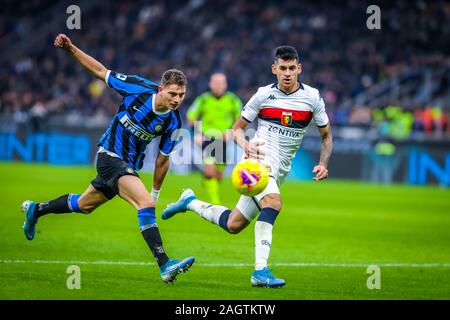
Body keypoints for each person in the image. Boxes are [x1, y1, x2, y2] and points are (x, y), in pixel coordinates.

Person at [21, 33, 195, 283]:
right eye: (172, 94)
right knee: (143, 204)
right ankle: (165, 264)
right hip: (110, 156)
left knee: (83, 205)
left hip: (126, 166)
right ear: (161, 89)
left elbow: (162, 159)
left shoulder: (174, 121)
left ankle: (36, 210)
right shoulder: (137, 88)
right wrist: (71, 49)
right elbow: (101, 71)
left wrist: (156, 192)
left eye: (181, 95)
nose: (177, 100)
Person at [162, 46, 333, 287]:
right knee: (273, 203)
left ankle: (189, 202)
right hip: (257, 159)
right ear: (274, 69)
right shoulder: (263, 95)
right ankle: (260, 272)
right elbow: (237, 130)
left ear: (299, 69)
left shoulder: (312, 98)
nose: (287, 73)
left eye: (291, 68)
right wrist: (245, 145)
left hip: (280, 168)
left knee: (233, 224)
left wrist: (323, 163)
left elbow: (326, 135)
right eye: (282, 68)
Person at [186, 73, 242, 204]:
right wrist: (198, 133)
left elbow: (241, 119)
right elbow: (191, 118)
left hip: (224, 141)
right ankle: (215, 202)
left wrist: (230, 132)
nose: (218, 85)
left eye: (221, 82)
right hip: (207, 139)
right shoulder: (203, 99)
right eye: (216, 82)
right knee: (210, 170)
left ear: (226, 85)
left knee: (219, 175)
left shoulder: (233, 100)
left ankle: (206, 182)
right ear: (210, 84)